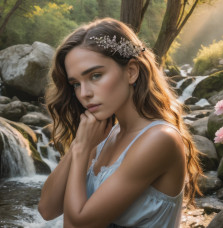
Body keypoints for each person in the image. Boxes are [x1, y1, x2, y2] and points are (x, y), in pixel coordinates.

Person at [38, 17, 203, 228]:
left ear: (131, 71)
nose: (84, 93)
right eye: (76, 84)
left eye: (96, 75)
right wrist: (80, 146)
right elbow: (47, 208)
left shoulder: (160, 139)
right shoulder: (104, 134)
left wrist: (81, 149)